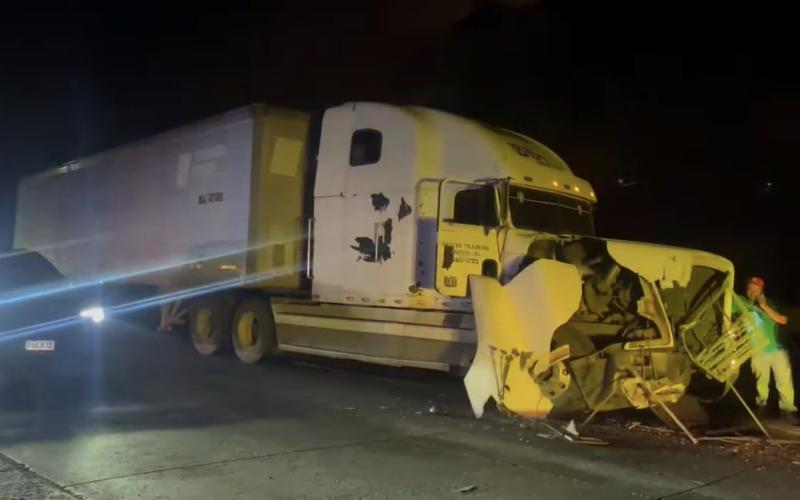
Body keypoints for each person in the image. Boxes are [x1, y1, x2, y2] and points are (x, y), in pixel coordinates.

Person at [738, 276, 797, 423]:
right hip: (757, 349)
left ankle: (787, 410)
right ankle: (761, 407)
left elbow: (783, 320)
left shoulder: (772, 303)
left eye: (756, 289)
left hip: (777, 348)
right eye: (750, 289)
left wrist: (763, 306)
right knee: (760, 381)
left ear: (762, 290)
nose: (752, 292)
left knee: (784, 382)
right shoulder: (741, 302)